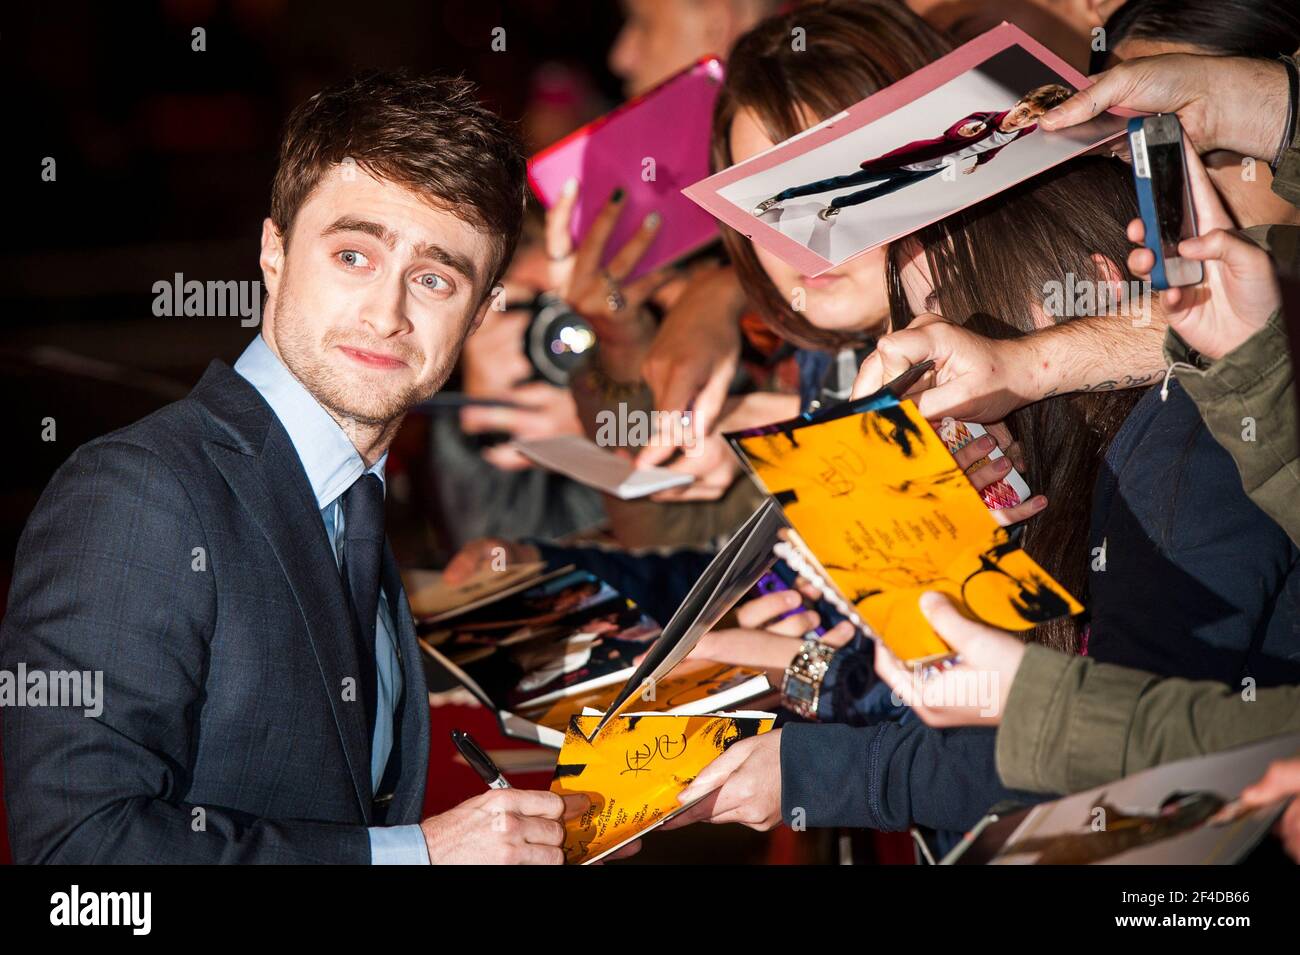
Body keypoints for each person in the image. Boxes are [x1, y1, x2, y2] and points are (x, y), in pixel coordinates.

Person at [0, 71, 608, 865]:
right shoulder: (140, 490)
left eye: (433, 278)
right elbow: (77, 859)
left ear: (484, 309)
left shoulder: (353, 498)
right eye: (354, 254)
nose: (387, 314)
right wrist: (414, 857)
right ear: (273, 252)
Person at [752, 83, 1073, 221]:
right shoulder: (984, 118)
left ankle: (837, 206)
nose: (1022, 118)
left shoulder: (1025, 131)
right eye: (1024, 109)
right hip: (910, 159)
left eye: (1031, 116)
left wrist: (980, 161)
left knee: (877, 194)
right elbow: (959, 130)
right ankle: (784, 196)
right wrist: (964, 132)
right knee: (844, 180)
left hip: (931, 170)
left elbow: (997, 148)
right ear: (1018, 102)